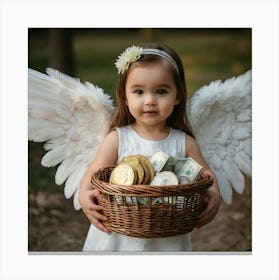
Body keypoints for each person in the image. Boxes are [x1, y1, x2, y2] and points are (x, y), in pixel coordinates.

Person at [78, 43, 221, 251]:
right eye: (139, 92)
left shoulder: (185, 142)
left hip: (167, 233)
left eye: (161, 91)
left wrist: (214, 194)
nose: (150, 101)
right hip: (118, 236)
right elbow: (93, 174)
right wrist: (84, 197)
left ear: (178, 96)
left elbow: (206, 174)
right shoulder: (118, 139)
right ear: (125, 97)